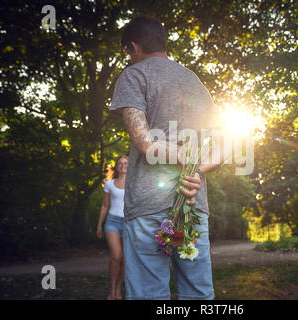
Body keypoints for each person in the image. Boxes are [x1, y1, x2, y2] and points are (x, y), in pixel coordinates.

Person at [110, 16, 226, 300]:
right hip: (191, 204)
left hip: (148, 207)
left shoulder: (134, 75)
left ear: (133, 47)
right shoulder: (193, 81)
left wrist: (185, 161)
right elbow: (226, 145)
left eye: (127, 51)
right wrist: (195, 169)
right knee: (197, 293)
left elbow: (145, 143)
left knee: (149, 294)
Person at [96, 155, 128, 300]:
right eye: (120, 163)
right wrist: (99, 225)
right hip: (112, 222)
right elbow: (104, 205)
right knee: (116, 256)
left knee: (125, 260)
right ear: (116, 167)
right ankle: (111, 290)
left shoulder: (134, 184)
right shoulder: (109, 184)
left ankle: (118, 288)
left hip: (128, 223)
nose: (123, 165)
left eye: (125, 163)